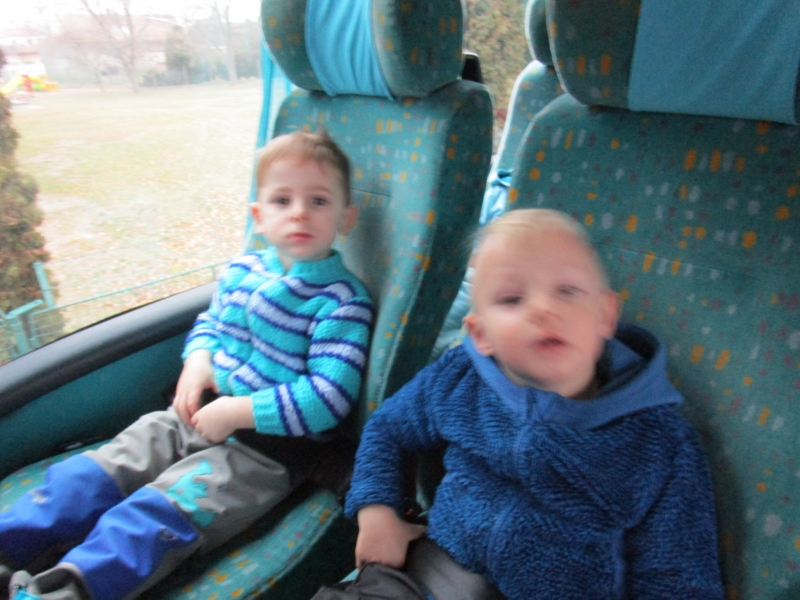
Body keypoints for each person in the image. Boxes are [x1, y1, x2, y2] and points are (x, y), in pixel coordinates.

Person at [0, 130, 375, 600]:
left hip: (263, 452)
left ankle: (58, 593)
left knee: (153, 519)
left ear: (345, 218)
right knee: (94, 473)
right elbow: (210, 324)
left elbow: (326, 398)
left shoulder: (342, 303)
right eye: (283, 200)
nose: (299, 212)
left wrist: (237, 411)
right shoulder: (242, 271)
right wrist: (197, 361)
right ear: (259, 216)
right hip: (192, 416)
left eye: (318, 201)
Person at [335, 209, 723, 599]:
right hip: (427, 578)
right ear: (481, 334)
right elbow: (388, 428)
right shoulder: (461, 377)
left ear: (605, 315)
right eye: (512, 298)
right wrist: (377, 510)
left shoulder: (659, 442)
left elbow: (679, 581)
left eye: (567, 291)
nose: (543, 309)